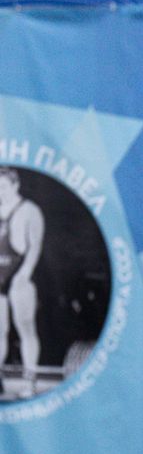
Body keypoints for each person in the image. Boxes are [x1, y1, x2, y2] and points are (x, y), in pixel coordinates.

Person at [0, 167, 44, 399]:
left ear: (15, 185)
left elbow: (35, 246)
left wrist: (25, 274)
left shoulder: (29, 210)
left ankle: (30, 382)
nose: (0, 192)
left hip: (19, 275)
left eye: (3, 187)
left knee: (25, 328)